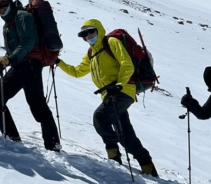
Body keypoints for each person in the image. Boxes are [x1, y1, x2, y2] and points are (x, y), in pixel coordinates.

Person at [56, 19, 158, 177]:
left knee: (100, 117)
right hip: (110, 95)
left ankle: (114, 155)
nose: (88, 35)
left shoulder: (111, 42)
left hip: (123, 91)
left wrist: (118, 85)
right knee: (125, 134)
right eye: (85, 34)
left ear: (99, 29)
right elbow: (77, 72)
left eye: (91, 31)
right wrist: (58, 62)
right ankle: (147, 165)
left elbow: (127, 64)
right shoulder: (91, 53)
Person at [0, 0, 61, 151]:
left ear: (10, 3)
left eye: (3, 4)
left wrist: (9, 60)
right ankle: (12, 139)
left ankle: (53, 145)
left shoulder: (22, 16)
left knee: (38, 106)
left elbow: (28, 42)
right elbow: (11, 54)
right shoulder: (8, 23)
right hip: (19, 66)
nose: (1, 8)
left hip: (30, 64)